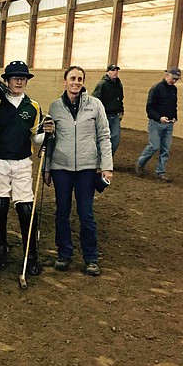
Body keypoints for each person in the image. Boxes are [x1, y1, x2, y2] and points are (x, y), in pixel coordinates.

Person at [0, 60, 54, 276]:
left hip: (22, 162)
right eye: (15, 78)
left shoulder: (34, 106)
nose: (19, 81)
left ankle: (32, 253)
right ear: (7, 81)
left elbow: (35, 139)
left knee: (26, 208)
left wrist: (46, 133)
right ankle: (0, 248)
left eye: (23, 78)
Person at [43, 66, 113, 277]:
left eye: (79, 79)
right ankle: (64, 253)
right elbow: (50, 141)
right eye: (72, 78)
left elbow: (104, 136)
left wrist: (107, 166)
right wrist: (47, 168)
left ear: (83, 82)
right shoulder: (54, 108)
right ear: (65, 81)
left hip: (86, 168)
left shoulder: (95, 106)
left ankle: (91, 258)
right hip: (60, 168)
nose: (76, 82)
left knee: (86, 214)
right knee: (62, 212)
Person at [135, 67, 180, 182]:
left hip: (169, 124)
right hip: (156, 123)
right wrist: (159, 117)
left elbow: (174, 105)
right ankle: (140, 163)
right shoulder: (156, 88)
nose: (174, 81)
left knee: (166, 149)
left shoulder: (174, 90)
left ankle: (161, 173)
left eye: (176, 79)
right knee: (154, 146)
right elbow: (149, 107)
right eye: (173, 78)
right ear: (167, 75)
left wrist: (174, 116)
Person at [91, 64, 124, 156]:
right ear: (107, 72)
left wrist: (121, 110)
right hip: (104, 115)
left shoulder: (118, 84)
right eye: (113, 70)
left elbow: (120, 98)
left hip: (115, 114)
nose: (115, 72)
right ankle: (98, 157)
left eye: (116, 70)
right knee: (102, 137)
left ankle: (107, 157)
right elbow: (95, 99)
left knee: (116, 137)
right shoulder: (102, 84)